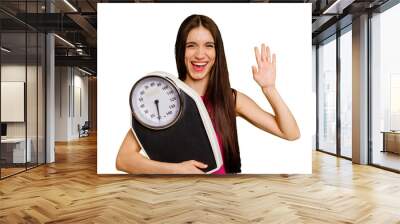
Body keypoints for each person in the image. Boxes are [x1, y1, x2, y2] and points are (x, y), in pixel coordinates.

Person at [116, 14, 300, 174]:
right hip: (177, 198)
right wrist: (177, 170)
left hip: (222, 198)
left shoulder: (231, 99)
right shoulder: (164, 98)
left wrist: (269, 88)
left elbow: (290, 133)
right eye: (191, 45)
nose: (200, 54)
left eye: (208, 45)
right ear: (181, 51)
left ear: (217, 52)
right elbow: (123, 160)